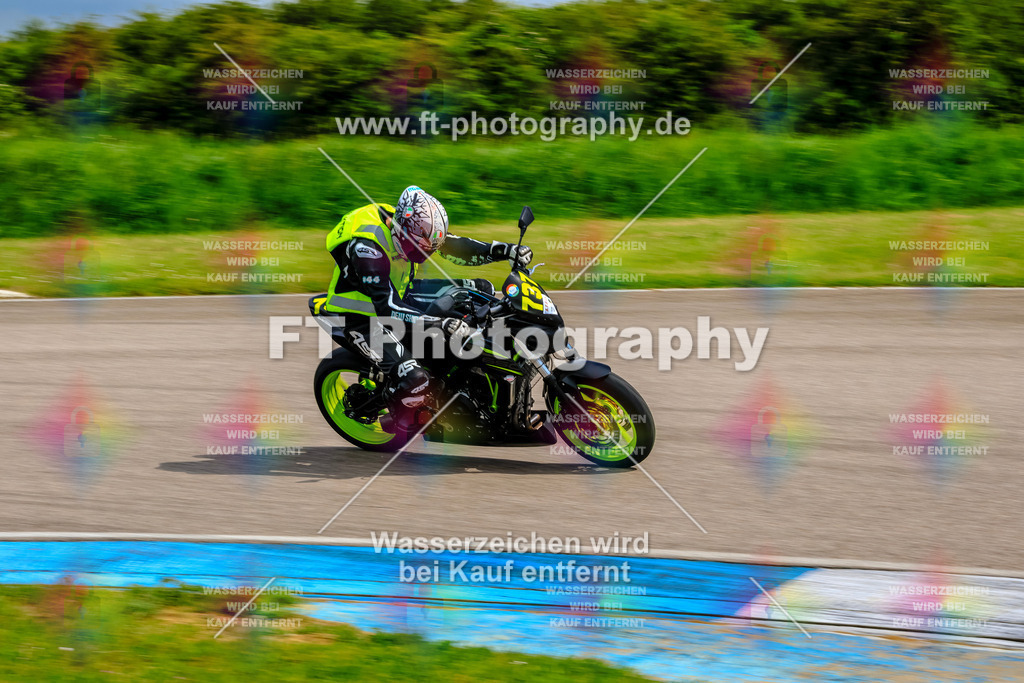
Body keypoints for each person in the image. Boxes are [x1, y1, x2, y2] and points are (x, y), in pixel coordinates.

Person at [320, 185, 532, 432]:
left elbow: (453, 246)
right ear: (401, 230)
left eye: (427, 250)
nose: (423, 255)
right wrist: (439, 323)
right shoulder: (367, 251)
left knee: (481, 289)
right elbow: (387, 308)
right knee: (417, 381)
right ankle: (402, 418)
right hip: (363, 318)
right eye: (417, 250)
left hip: (400, 292)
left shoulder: (410, 227)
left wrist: (504, 251)